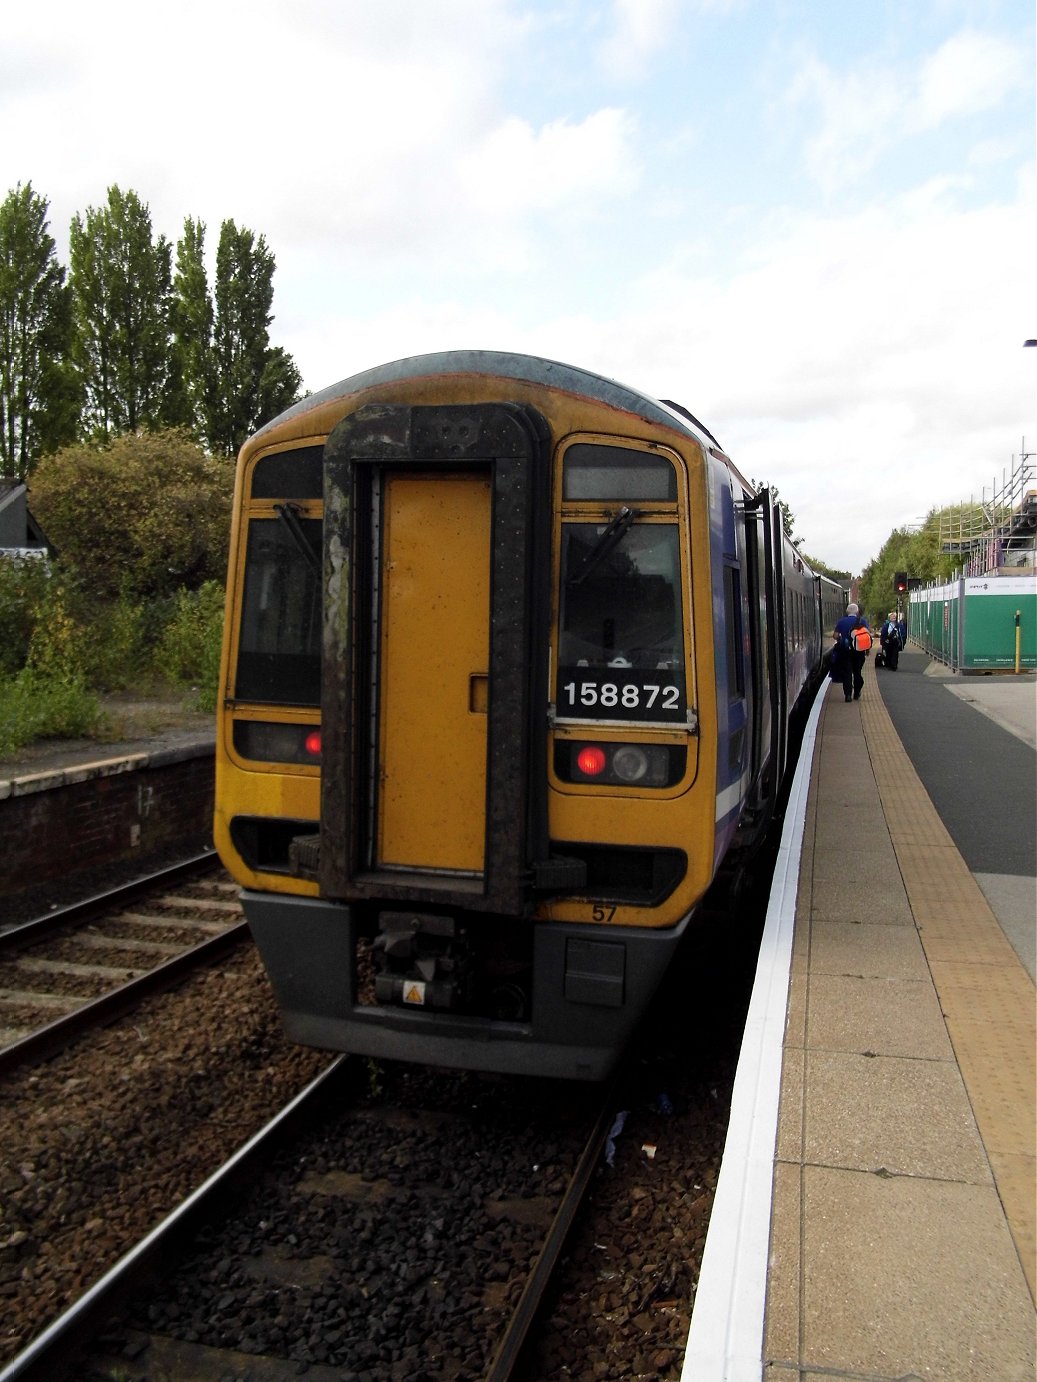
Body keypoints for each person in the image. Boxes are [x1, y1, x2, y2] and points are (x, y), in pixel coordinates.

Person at [832, 601, 870, 702]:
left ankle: (848, 695)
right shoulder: (863, 621)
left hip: (846, 651)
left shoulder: (841, 621)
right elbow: (867, 635)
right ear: (857, 611)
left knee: (847, 673)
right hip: (859, 651)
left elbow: (835, 636)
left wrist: (841, 639)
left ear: (847, 611)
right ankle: (857, 693)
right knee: (857, 672)